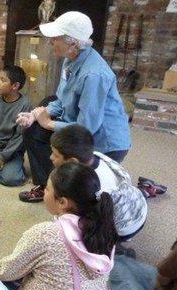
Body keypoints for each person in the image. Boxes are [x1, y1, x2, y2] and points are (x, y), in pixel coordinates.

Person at [0, 162, 117, 290]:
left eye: (48, 189)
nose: (43, 192)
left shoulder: (45, 233)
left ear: (63, 203)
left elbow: (6, 271)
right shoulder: (106, 227)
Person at [17, 11, 131, 203]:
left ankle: (64, 187)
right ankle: (47, 185)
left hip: (103, 142)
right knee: (32, 130)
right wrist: (37, 116)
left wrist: (49, 124)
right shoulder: (70, 60)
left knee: (84, 195)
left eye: (56, 38)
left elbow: (86, 129)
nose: (51, 41)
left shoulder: (94, 74)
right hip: (79, 126)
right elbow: (61, 100)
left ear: (74, 43)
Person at [49, 125, 147, 240]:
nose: (51, 157)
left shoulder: (90, 185)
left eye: (55, 155)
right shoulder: (94, 155)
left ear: (72, 162)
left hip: (126, 227)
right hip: (137, 205)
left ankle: (114, 248)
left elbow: (85, 216)